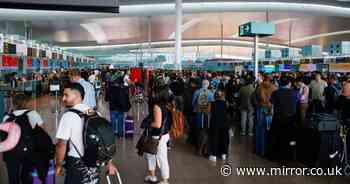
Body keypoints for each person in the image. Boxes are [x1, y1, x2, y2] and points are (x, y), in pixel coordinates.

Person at [55, 83, 117, 184]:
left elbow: (61, 144)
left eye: (66, 95)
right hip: (93, 162)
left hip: (76, 163)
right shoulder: (95, 113)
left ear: (77, 95)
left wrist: (58, 164)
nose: (63, 98)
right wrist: (109, 163)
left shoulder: (69, 115)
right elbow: (105, 139)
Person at [2, 93, 46, 184]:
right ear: (27, 103)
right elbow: (42, 133)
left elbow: (4, 135)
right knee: (26, 176)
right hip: (28, 150)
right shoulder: (33, 114)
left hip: (11, 152)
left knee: (13, 177)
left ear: (13, 103)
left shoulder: (7, 117)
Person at [144, 82, 172, 184]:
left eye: (154, 91)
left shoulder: (157, 106)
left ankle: (165, 180)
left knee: (159, 157)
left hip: (157, 135)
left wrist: (147, 124)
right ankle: (152, 176)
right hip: (163, 134)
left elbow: (157, 124)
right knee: (152, 155)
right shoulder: (165, 104)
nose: (153, 93)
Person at [270, 76, 300, 165]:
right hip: (291, 119)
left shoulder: (275, 93)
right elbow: (298, 100)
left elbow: (271, 102)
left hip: (278, 118)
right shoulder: (295, 93)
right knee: (290, 138)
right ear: (289, 83)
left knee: (278, 137)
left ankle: (277, 156)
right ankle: (290, 156)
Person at [208, 90, 230, 162]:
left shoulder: (211, 104)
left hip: (214, 123)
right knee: (224, 138)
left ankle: (214, 155)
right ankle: (223, 154)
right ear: (222, 96)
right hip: (224, 123)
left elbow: (208, 112)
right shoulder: (226, 103)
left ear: (215, 96)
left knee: (214, 138)